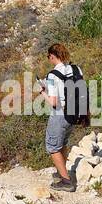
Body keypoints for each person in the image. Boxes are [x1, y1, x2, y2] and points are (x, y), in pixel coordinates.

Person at [41, 43, 79, 191]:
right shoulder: (75, 69)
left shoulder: (51, 75)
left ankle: (65, 181)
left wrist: (42, 92)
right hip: (75, 112)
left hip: (60, 114)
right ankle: (60, 170)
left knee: (52, 146)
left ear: (52, 56)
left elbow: (54, 102)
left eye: (48, 57)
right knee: (62, 142)